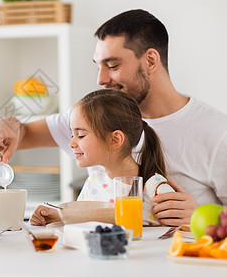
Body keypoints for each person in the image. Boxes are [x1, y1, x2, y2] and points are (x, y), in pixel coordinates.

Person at [0, 9, 227, 226]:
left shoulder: (216, 131)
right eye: (98, 66)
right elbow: (22, 135)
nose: (100, 79)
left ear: (151, 60)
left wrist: (202, 215)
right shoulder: (92, 119)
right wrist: (12, 124)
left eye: (112, 65)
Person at [30, 89, 167, 225]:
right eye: (72, 135)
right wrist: (55, 217)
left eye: (81, 135)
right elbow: (79, 224)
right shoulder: (93, 183)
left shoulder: (153, 187)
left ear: (114, 140)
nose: (71, 143)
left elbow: (173, 230)